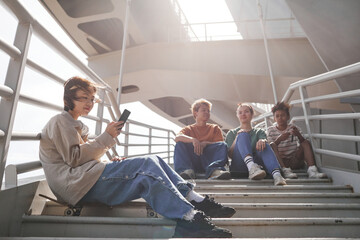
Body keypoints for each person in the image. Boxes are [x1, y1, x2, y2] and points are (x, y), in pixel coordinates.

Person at [39, 76, 235, 238]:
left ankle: (193, 202)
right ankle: (190, 216)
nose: (89, 103)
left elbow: (82, 158)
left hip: (84, 180)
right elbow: (74, 158)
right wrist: (107, 136)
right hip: (75, 185)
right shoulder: (60, 121)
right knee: (147, 165)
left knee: (154, 161)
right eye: (83, 98)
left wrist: (106, 161)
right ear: (68, 99)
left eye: (91, 99)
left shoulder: (75, 125)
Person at [225, 103, 286, 186]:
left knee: (265, 144)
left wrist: (262, 140)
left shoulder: (259, 132)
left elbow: (264, 145)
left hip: (259, 168)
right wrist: (237, 138)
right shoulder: (232, 133)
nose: (243, 114)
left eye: (246, 111)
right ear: (237, 115)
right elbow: (230, 155)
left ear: (252, 114)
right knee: (242, 135)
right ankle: (251, 167)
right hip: (240, 167)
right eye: (240, 112)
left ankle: (277, 175)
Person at [173, 99, 231, 180]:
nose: (207, 112)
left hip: (209, 161)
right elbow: (177, 138)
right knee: (180, 143)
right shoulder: (188, 129)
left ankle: (215, 171)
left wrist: (206, 143)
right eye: (204, 110)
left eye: (208, 111)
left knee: (222, 145)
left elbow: (220, 144)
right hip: (193, 161)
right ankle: (186, 171)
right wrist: (193, 140)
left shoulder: (214, 128)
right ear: (195, 113)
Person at [267, 101, 327, 179]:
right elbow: (269, 147)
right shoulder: (270, 130)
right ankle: (285, 171)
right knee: (272, 144)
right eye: (277, 116)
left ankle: (312, 171)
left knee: (305, 142)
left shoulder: (294, 128)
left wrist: (298, 135)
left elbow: (303, 143)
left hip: (294, 161)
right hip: (280, 162)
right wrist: (280, 139)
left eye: (283, 115)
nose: (280, 118)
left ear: (288, 117)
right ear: (274, 118)